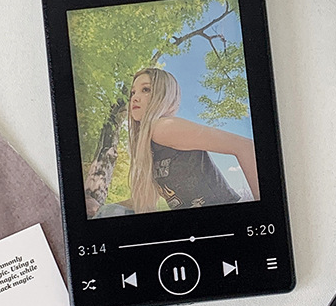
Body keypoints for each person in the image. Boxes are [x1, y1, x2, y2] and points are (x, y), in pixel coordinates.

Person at [99, 66, 259, 216]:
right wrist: (98, 210)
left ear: (163, 95)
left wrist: (263, 211)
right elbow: (144, 202)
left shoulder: (163, 127)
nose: (135, 98)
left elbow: (246, 147)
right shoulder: (147, 145)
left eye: (146, 89)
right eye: (133, 92)